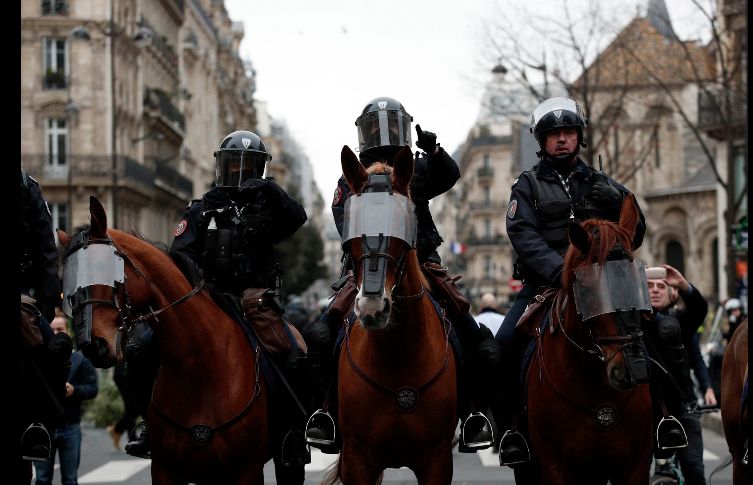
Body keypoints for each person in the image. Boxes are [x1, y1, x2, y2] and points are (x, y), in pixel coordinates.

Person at [303, 96, 501, 453]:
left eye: (392, 125)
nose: (384, 133)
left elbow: (450, 176)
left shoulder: (415, 168)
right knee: (321, 334)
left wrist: (435, 151)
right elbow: (345, 224)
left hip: (421, 262)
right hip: (367, 270)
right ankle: (326, 412)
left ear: (404, 129)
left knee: (472, 334)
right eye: (376, 126)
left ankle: (473, 413)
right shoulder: (351, 179)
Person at [123, 131, 311, 473]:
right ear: (220, 167)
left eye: (249, 167)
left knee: (294, 355)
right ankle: (149, 424)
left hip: (253, 299)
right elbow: (180, 255)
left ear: (261, 170)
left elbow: (297, 218)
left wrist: (269, 189)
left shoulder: (266, 206)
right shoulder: (200, 208)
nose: (240, 173)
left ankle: (291, 434)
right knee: (139, 348)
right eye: (233, 165)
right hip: (206, 299)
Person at [494, 96, 647, 467]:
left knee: (661, 331)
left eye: (568, 132)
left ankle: (668, 417)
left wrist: (621, 199)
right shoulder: (526, 186)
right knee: (502, 346)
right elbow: (523, 235)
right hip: (547, 285)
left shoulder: (604, 182)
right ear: (542, 141)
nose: (562, 139)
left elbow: (635, 233)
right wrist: (563, 273)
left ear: (579, 137)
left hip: (608, 284)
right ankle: (511, 428)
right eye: (554, 134)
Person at [19, 166, 73, 464]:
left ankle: (36, 425)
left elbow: (46, 252)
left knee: (53, 348)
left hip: (22, 294)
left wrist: (45, 306)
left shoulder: (27, 187)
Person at [645, 264, 713, 485]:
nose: (655, 290)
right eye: (649, 286)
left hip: (683, 407)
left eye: (661, 286)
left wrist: (684, 285)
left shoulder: (682, 321)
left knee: (693, 468)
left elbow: (699, 310)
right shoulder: (630, 323)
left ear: (670, 293)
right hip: (644, 410)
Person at [33, 310, 98, 485]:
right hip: (44, 428)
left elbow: (92, 388)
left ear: (68, 331)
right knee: (42, 479)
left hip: (70, 427)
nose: (54, 334)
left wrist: (74, 390)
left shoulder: (80, 359)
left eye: (59, 329)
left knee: (70, 479)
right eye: (51, 330)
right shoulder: (38, 360)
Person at [106, 361, 140, 451]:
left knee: (131, 407)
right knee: (134, 408)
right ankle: (117, 430)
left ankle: (132, 437)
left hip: (128, 372)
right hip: (124, 373)